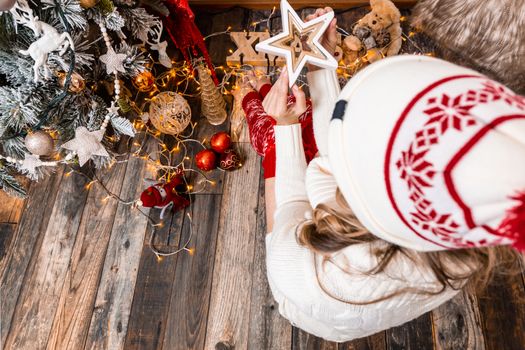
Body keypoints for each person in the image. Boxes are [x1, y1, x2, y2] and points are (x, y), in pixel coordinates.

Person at [241, 7, 525, 342]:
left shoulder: (300, 274)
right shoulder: (468, 245)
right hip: (386, 297)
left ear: (355, 191)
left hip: (306, 296)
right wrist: (320, 63)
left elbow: (289, 210)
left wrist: (285, 130)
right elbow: (339, 150)